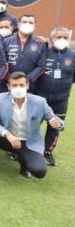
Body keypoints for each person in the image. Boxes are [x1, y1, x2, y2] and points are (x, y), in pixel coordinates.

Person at [0, 72, 64, 178]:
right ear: (8, 86)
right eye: (14, 85)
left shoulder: (40, 102)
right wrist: (7, 134)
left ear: (27, 85)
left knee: (39, 172)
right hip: (8, 139)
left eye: (21, 85)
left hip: (28, 143)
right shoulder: (1, 98)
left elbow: (57, 121)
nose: (18, 88)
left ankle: (23, 165)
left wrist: (57, 124)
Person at [35, 27, 75, 165]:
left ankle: (47, 152)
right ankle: (28, 149)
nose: (62, 40)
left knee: (55, 126)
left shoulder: (73, 55)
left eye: (65, 37)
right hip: (40, 98)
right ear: (52, 39)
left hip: (61, 100)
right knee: (33, 124)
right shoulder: (44, 51)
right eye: (59, 37)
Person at [2, 14, 46, 91]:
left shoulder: (40, 43)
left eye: (30, 22)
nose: (27, 24)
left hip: (29, 86)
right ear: (19, 25)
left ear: (35, 26)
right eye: (24, 22)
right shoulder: (6, 41)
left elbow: (41, 66)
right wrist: (9, 78)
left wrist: (27, 79)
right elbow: (1, 63)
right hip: (7, 84)